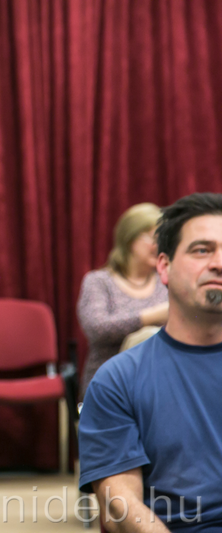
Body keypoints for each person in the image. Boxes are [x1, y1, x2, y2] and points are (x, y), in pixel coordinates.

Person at [79, 192, 222, 531]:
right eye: (202, 250)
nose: (219, 262)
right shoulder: (117, 380)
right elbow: (119, 507)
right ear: (164, 267)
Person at [77, 202, 168, 399]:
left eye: (164, 238)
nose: (160, 245)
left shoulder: (167, 281)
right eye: (154, 237)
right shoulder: (99, 281)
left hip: (160, 385)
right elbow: (97, 329)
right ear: (129, 239)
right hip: (109, 385)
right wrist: (153, 316)